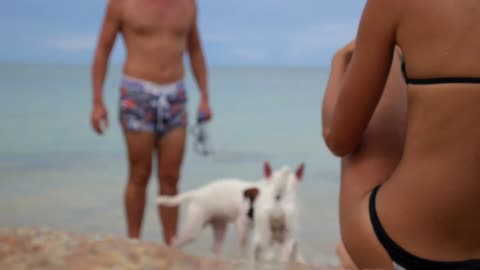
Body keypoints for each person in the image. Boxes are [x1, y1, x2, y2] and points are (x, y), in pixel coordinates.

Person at [323, 1, 480, 269]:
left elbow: (338, 140)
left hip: (402, 249)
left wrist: (340, 60)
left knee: (382, 81)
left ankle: (355, 255)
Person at [90, 0, 212, 245]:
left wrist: (205, 96)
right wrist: (97, 101)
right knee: (139, 174)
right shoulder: (122, 3)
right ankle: (133, 243)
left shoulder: (188, 4)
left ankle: (171, 246)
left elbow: (195, 50)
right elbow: (103, 49)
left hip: (175, 95)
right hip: (137, 94)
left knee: (170, 178)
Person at [322, 40, 407, 270]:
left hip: (375, 231)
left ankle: (348, 255)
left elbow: (335, 139)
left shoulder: (388, 61)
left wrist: (339, 59)